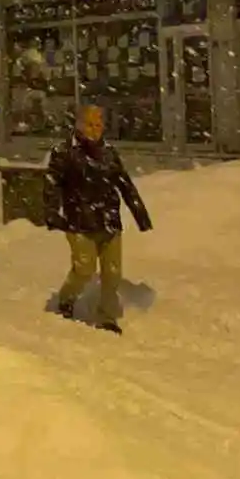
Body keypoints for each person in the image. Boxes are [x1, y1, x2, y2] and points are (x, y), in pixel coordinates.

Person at [43, 105, 153, 334]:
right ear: (80, 125)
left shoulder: (109, 153)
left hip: (108, 219)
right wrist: (53, 213)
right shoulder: (64, 151)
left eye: (100, 125)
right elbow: (52, 184)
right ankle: (67, 298)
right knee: (84, 268)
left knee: (112, 273)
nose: (96, 130)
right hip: (79, 220)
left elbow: (124, 184)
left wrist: (140, 215)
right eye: (91, 124)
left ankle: (107, 317)